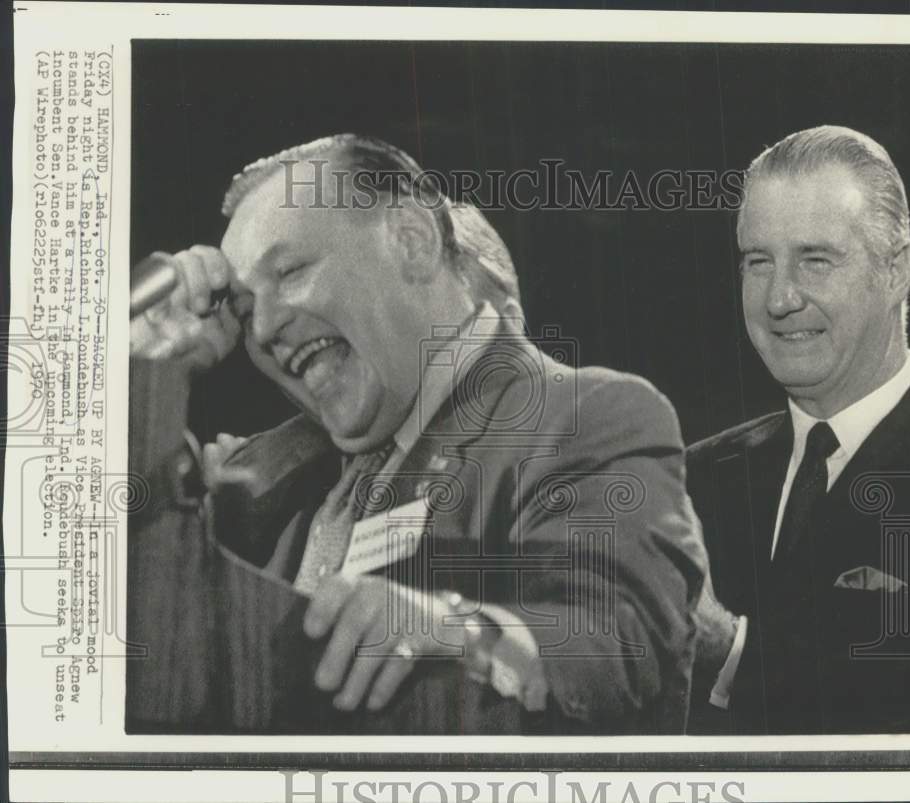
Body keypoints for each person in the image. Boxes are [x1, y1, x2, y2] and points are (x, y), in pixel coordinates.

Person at [130, 134, 707, 733]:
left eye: (291, 270)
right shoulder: (261, 476)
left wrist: (460, 632)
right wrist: (141, 374)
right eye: (247, 311)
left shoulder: (585, 412)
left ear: (411, 238)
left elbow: (622, 642)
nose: (268, 326)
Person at [687, 125, 910, 735]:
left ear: (896, 270)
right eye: (758, 262)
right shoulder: (689, 479)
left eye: (815, 260)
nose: (779, 299)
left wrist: (727, 648)